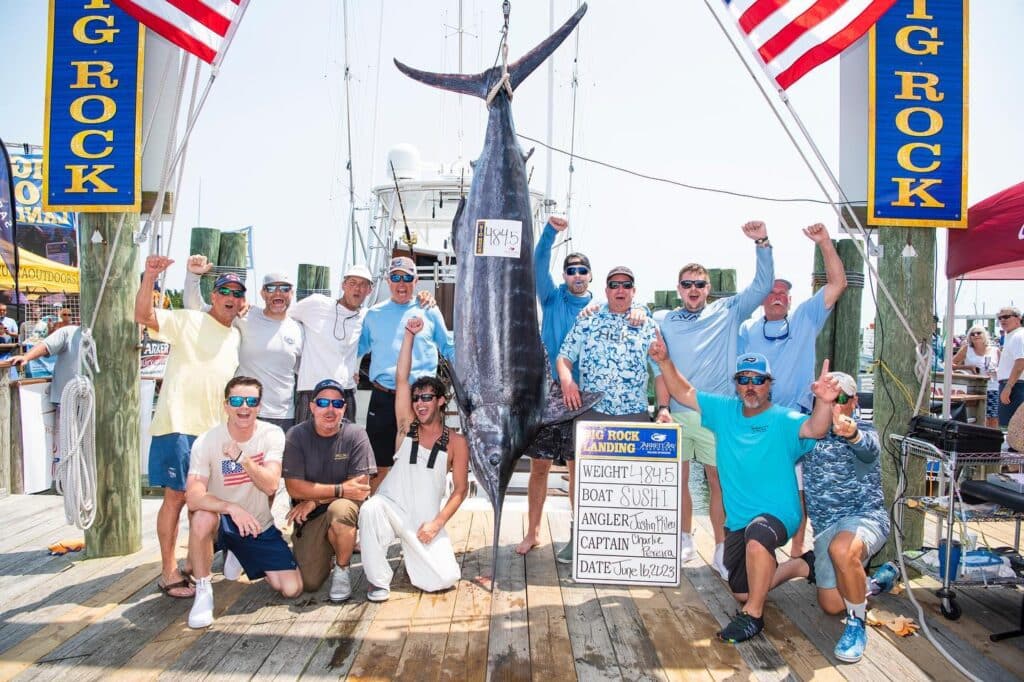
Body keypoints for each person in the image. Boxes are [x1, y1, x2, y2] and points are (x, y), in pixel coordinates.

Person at [651, 344, 838, 644]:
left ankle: (753, 617)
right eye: (744, 379)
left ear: (769, 384)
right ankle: (803, 565)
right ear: (736, 384)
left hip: (779, 514)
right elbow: (683, 391)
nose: (751, 386)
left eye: (758, 379)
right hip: (738, 520)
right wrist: (665, 361)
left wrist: (824, 402)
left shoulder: (784, 418)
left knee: (757, 540)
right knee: (741, 589)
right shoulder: (724, 411)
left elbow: (816, 429)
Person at [654, 220, 775, 577]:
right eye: (687, 284)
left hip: (717, 414)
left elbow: (763, 285)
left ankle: (722, 547)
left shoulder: (729, 310)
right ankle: (683, 538)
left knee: (718, 482)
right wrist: (661, 408)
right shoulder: (663, 319)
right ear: (678, 288)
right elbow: (660, 371)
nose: (693, 289)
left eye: (700, 284)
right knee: (678, 481)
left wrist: (762, 244)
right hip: (676, 413)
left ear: (709, 288)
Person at [135, 255, 242, 599]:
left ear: (243, 302)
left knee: (205, 502)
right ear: (214, 295)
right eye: (225, 290)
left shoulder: (236, 335)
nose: (231, 297)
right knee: (176, 498)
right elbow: (143, 316)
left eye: (238, 293)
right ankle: (167, 572)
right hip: (179, 424)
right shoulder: (188, 319)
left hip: (213, 432)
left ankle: (192, 565)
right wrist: (150, 276)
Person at [738, 222, 847, 555]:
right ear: (761, 300)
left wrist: (825, 243)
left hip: (798, 419)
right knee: (755, 484)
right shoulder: (746, 329)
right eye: (771, 292)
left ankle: (798, 548)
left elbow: (838, 283)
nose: (778, 297)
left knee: (801, 489)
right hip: (758, 419)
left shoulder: (805, 319)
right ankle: (756, 545)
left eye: (783, 292)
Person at [359, 316, 470, 601]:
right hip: (390, 508)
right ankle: (379, 581)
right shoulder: (406, 427)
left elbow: (460, 490)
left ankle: (414, 559)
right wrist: (409, 335)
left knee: (442, 579)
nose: (420, 403)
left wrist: (437, 523)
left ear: (441, 401)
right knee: (369, 510)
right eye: (417, 398)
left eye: (427, 398)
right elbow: (401, 378)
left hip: (424, 521)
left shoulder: (457, 442)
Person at [555, 266, 659, 564]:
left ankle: (632, 540)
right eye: (614, 285)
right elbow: (564, 358)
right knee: (585, 480)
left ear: (634, 291)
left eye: (626, 285)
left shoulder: (647, 323)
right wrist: (567, 381)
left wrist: (662, 409)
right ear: (606, 289)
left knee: (635, 483)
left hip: (634, 414)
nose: (620, 290)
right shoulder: (587, 320)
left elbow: (661, 372)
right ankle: (580, 537)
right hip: (593, 413)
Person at [184, 376, 302, 629]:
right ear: (226, 405)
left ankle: (238, 553)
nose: (244, 407)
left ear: (260, 406)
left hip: (256, 524)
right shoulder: (206, 441)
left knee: (291, 588)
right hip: (222, 521)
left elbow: (271, 484)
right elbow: (193, 497)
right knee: (202, 517)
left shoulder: (272, 434)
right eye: (236, 400)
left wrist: (243, 458)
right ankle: (204, 591)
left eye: (251, 401)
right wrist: (230, 508)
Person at [800, 372, 894, 662]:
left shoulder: (864, 430)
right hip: (826, 527)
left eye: (841, 398)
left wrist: (850, 432)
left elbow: (868, 450)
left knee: (842, 549)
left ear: (854, 401)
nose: (834, 404)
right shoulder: (806, 433)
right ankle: (873, 584)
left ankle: (857, 625)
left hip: (865, 518)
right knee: (830, 605)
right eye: (826, 398)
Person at [357, 256, 454, 491]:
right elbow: (353, 350)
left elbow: (449, 348)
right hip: (383, 398)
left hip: (422, 400)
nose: (402, 283)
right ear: (388, 281)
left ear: (416, 280)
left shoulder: (429, 310)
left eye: (407, 278)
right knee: (379, 467)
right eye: (396, 277)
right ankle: (378, 519)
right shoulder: (373, 314)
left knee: (423, 464)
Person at [184, 257, 304, 431]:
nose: (278, 293)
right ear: (263, 293)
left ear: (292, 293)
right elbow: (195, 310)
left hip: (284, 417)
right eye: (271, 288)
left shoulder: (299, 329)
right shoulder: (244, 316)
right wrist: (193, 276)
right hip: (244, 412)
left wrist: (353, 370)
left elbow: (306, 368)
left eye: (284, 288)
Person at [282, 379, 376, 600]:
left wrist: (315, 500)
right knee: (310, 583)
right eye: (323, 402)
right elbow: (294, 487)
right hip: (310, 516)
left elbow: (361, 487)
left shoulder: (356, 434)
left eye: (337, 403)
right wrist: (341, 489)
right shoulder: (296, 435)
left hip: (332, 507)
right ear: (312, 407)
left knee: (340, 511)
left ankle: (342, 570)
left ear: (344, 407)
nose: (330, 409)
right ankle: (328, 550)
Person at [289, 264, 374, 424]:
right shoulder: (315, 303)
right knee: (305, 445)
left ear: (369, 290)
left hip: (345, 393)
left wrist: (354, 370)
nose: (357, 288)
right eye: (352, 283)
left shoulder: (366, 316)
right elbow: (283, 318)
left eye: (363, 285)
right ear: (343, 285)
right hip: (311, 391)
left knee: (343, 447)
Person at [953, 325, 1000, 428]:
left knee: (993, 417)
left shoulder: (995, 350)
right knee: (973, 416)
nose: (975, 335)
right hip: (972, 388)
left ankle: (991, 440)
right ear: (969, 337)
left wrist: (996, 371)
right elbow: (951, 365)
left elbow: (1003, 369)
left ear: (985, 335)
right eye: (972, 334)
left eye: (979, 333)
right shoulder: (966, 349)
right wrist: (968, 367)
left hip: (993, 387)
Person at [996, 306, 1024, 429]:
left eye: (1007, 316)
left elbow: (1020, 362)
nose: (1003, 320)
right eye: (1000, 317)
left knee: (1013, 428)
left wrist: (1008, 387)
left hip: (1016, 386)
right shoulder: (1012, 336)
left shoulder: (1019, 336)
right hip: (1014, 384)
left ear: (1018, 318)